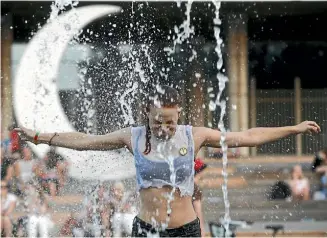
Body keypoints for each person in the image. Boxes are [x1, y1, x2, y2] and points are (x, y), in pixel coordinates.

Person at [15, 85, 321, 237]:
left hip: (186, 229)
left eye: (171, 122)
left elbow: (247, 136)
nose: (164, 128)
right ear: (147, 114)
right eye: (159, 122)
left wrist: (293, 129)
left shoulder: (195, 135)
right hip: (146, 228)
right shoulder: (132, 136)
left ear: (179, 116)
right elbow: (85, 141)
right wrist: (40, 136)